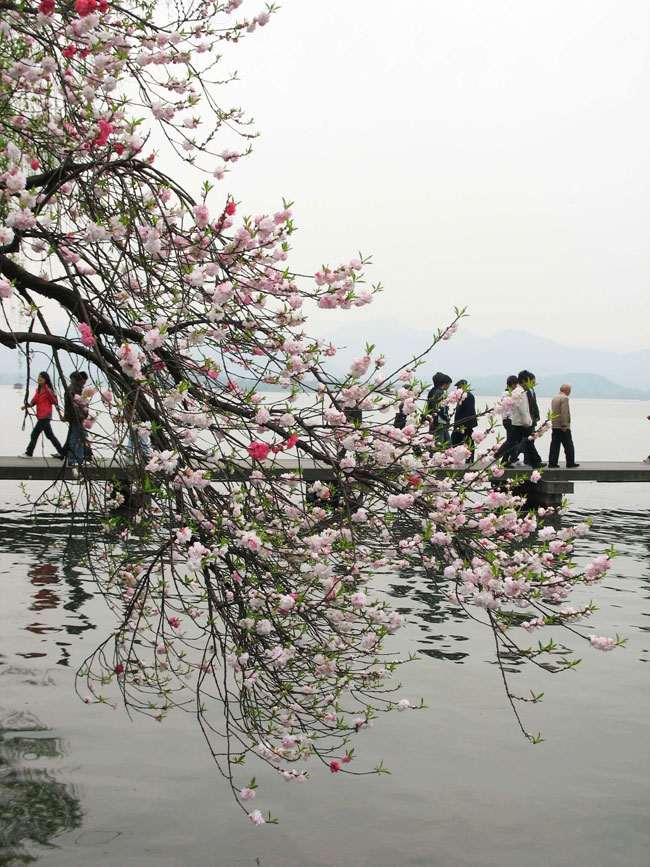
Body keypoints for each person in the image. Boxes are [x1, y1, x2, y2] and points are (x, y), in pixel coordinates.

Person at [22, 371, 65, 459]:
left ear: (46, 380)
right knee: (49, 435)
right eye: (38, 376)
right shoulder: (39, 390)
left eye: (41, 377)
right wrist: (26, 406)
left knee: (34, 434)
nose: (39, 378)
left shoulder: (48, 390)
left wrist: (60, 414)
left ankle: (29, 453)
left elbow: (55, 401)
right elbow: (34, 401)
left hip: (45, 416)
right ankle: (62, 452)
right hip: (41, 416)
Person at [512, 371, 545, 468]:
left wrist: (536, 416)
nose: (534, 383)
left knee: (528, 441)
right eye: (532, 381)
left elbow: (534, 405)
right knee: (527, 441)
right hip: (525, 420)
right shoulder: (523, 392)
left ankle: (529, 460)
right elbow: (525, 408)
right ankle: (533, 461)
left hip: (531, 419)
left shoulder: (531, 391)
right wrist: (528, 420)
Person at [548, 384, 579, 468]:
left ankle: (552, 463)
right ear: (566, 390)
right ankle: (570, 462)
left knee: (554, 445)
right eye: (569, 390)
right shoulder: (564, 398)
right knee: (568, 445)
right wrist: (564, 425)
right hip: (562, 426)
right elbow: (564, 412)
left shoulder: (555, 398)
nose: (570, 392)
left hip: (555, 425)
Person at [63, 371, 89, 465]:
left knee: (80, 437)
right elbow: (72, 405)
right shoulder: (73, 389)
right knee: (77, 437)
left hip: (78, 416)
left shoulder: (76, 388)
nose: (84, 383)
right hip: (76, 417)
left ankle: (79, 458)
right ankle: (74, 459)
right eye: (83, 381)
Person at [494, 374, 520, 465]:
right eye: (516, 385)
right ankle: (498, 454)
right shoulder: (508, 394)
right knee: (511, 440)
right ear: (513, 385)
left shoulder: (506, 394)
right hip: (509, 420)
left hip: (508, 420)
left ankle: (505, 460)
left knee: (512, 441)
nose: (517, 387)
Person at [451, 379, 477, 459]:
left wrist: (461, 425)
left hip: (464, 424)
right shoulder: (466, 395)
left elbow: (468, 411)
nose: (457, 389)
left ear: (462, 386)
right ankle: (468, 459)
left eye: (458, 387)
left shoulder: (467, 396)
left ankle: (455, 458)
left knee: (456, 441)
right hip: (464, 424)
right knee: (468, 441)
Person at [426, 372, 452, 443]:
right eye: (449, 384)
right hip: (440, 421)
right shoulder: (440, 392)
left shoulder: (432, 391)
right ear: (444, 383)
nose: (449, 386)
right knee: (439, 444)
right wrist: (447, 418)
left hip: (433, 420)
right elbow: (441, 408)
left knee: (436, 442)